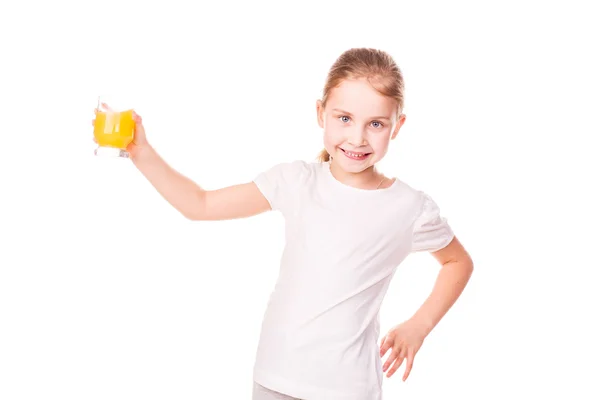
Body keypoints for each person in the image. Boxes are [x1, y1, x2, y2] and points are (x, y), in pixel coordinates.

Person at [92, 47, 474, 400]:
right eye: (344, 118)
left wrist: (418, 326)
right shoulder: (295, 182)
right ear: (321, 113)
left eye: (375, 124)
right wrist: (141, 153)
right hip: (276, 378)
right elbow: (201, 204)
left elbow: (457, 263)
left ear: (397, 125)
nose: (357, 137)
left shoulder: (409, 207)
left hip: (348, 388)